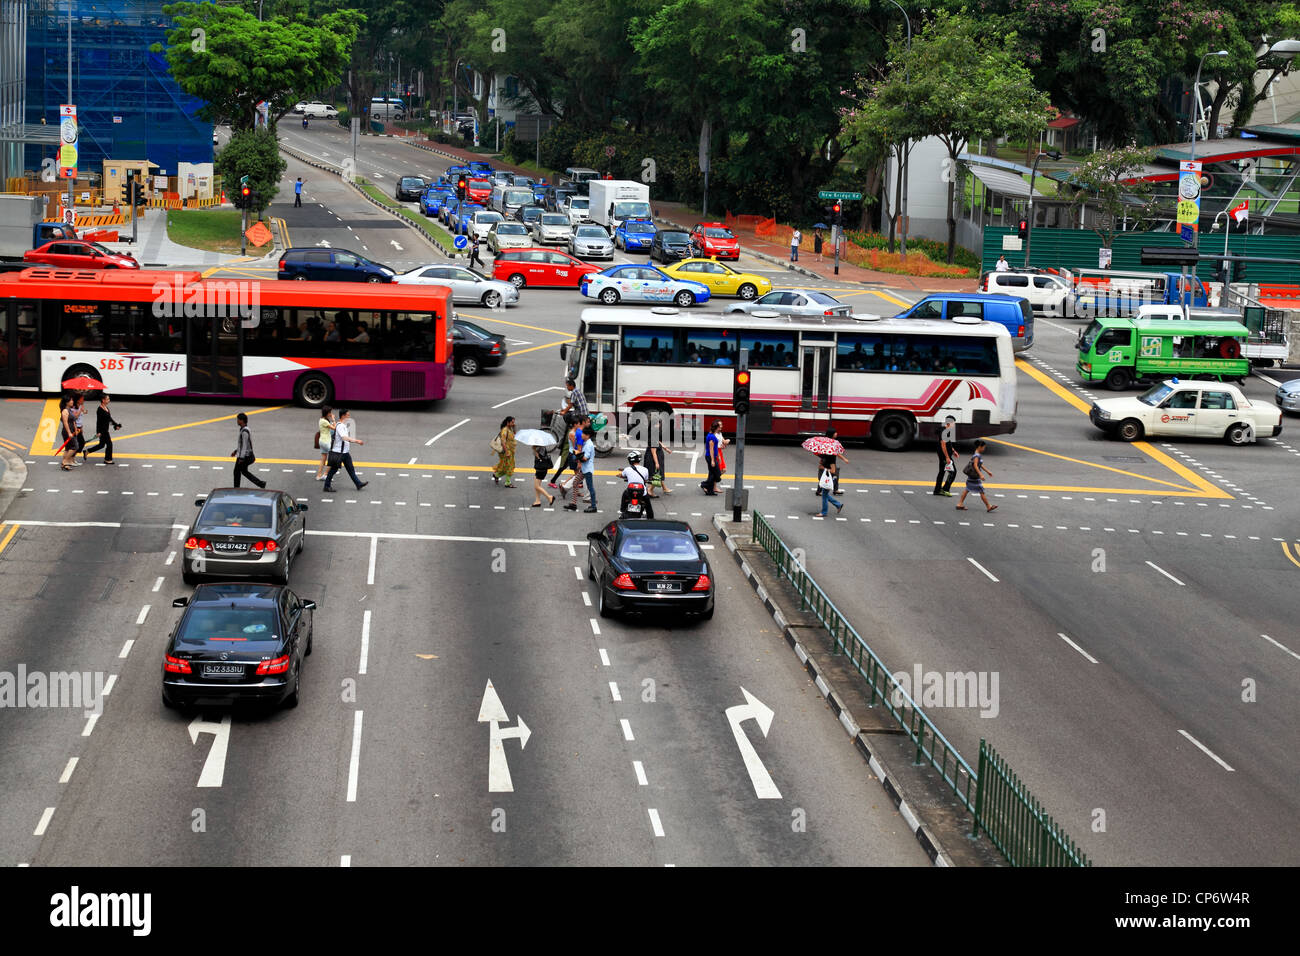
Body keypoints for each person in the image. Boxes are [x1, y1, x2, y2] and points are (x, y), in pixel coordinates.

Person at [323, 409, 368, 492]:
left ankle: (358, 484)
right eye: (348, 415)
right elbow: (344, 438)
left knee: (351, 469)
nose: (349, 417)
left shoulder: (342, 425)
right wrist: (356, 441)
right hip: (339, 453)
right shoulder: (340, 426)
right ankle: (326, 486)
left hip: (345, 453)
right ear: (343, 416)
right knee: (333, 470)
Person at [956, 439, 996, 512]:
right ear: (979, 447)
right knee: (981, 491)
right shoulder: (977, 455)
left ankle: (959, 504)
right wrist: (981, 475)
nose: (984, 449)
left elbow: (980, 465)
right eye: (983, 447)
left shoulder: (977, 454)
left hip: (973, 476)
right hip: (975, 476)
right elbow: (975, 466)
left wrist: (987, 471)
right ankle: (988, 506)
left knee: (967, 489)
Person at [565, 428, 598, 513]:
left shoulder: (588, 445)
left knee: (590, 488)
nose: (581, 435)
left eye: (583, 434)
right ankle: (573, 504)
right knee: (575, 483)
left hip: (587, 470)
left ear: (587, 435)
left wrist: (577, 454)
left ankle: (593, 506)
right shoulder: (586, 443)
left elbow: (585, 458)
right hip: (584, 469)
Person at [83, 392, 122, 464]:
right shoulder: (100, 410)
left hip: (105, 429)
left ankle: (87, 451)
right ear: (103, 400)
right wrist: (98, 432)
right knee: (109, 444)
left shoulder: (106, 408)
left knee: (101, 445)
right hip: (102, 430)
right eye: (107, 399)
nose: (109, 400)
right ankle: (108, 459)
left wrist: (116, 425)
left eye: (109, 399)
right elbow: (98, 422)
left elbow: (109, 418)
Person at [231, 412, 266, 488]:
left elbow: (244, 446)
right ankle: (261, 483)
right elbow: (243, 445)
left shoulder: (244, 432)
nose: (237, 421)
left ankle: (236, 488)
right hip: (245, 455)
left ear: (242, 421)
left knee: (236, 471)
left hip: (244, 456)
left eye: (238, 420)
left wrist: (241, 458)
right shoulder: (244, 429)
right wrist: (236, 451)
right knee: (243, 471)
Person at [812, 426, 847, 496]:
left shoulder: (833, 442)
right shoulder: (829, 443)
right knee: (827, 476)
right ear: (832, 434)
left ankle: (834, 489)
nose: (836, 433)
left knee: (833, 474)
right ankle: (820, 491)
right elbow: (836, 453)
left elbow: (836, 452)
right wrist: (822, 457)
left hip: (829, 461)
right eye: (835, 433)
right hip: (829, 462)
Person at [619, 451, 654, 519]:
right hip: (642, 493)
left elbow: (622, 475)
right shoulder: (645, 469)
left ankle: (622, 511)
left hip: (630, 492)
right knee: (648, 505)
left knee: (624, 495)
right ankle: (650, 518)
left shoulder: (627, 469)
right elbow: (646, 478)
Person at [933, 416, 958, 497]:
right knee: (953, 472)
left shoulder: (945, 430)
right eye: (953, 423)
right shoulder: (945, 431)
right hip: (944, 455)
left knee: (942, 472)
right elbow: (943, 444)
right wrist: (947, 457)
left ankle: (937, 490)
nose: (954, 424)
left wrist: (953, 450)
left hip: (942, 454)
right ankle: (945, 489)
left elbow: (948, 443)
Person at [700, 420, 726, 496]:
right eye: (719, 426)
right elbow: (711, 450)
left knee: (712, 474)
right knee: (717, 475)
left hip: (714, 456)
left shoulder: (714, 435)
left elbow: (715, 448)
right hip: (710, 457)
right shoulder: (711, 436)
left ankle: (709, 491)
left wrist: (718, 456)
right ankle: (704, 484)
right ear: (716, 428)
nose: (721, 427)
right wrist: (712, 460)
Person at [493, 416, 516, 488]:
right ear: (508, 422)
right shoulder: (505, 430)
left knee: (507, 466)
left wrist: (514, 427)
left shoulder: (510, 429)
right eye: (512, 422)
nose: (513, 423)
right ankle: (508, 483)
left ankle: (496, 475)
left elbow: (514, 434)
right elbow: (503, 442)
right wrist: (507, 452)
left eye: (513, 422)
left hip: (510, 451)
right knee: (509, 466)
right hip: (506, 451)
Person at [315, 405, 336, 480]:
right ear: (326, 413)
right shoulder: (325, 421)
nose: (331, 414)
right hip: (326, 442)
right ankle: (325, 474)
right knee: (333, 459)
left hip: (322, 441)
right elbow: (334, 428)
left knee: (323, 458)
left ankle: (318, 475)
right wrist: (333, 419)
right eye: (330, 412)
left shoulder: (321, 420)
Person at [57, 396, 76, 471]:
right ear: (67, 402)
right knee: (75, 447)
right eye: (71, 400)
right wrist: (69, 433)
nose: (72, 401)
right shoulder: (65, 411)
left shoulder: (69, 410)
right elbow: (65, 423)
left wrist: (75, 429)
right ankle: (64, 462)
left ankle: (66, 464)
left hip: (71, 431)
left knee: (67, 448)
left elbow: (73, 421)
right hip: (67, 431)